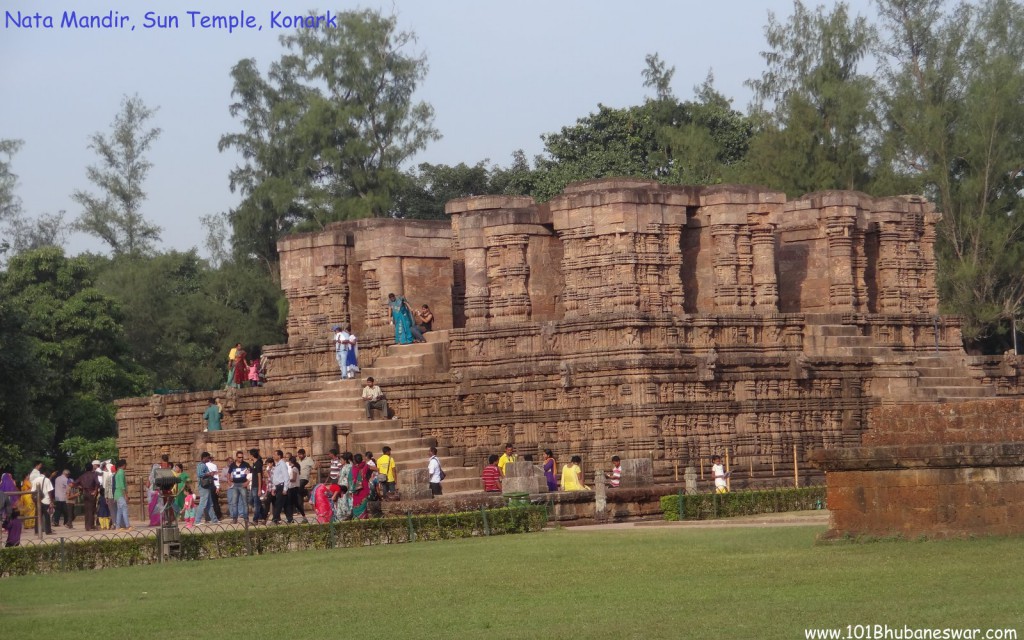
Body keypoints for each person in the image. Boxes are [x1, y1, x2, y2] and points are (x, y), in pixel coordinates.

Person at [227, 450, 252, 524]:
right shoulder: (232, 465)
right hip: (235, 485)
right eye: (239, 457)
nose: (241, 459)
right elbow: (228, 473)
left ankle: (246, 518)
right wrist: (228, 481)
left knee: (245, 502)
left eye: (242, 457)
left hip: (243, 484)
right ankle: (235, 518)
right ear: (236, 457)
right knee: (234, 502)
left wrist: (247, 482)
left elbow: (251, 474)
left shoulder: (246, 464)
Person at [195, 452, 219, 525]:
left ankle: (214, 520)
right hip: (203, 487)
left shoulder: (203, 465)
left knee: (209, 504)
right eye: (208, 458)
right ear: (204, 458)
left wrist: (211, 475)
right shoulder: (201, 465)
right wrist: (209, 474)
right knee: (203, 504)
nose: (209, 459)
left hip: (206, 486)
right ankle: (197, 520)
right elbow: (200, 474)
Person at [76, 463, 101, 531]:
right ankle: (90, 525)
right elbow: (97, 483)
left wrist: (81, 487)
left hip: (85, 493)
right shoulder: (94, 475)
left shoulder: (82, 476)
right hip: (91, 493)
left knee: (86, 509)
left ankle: (87, 525)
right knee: (91, 509)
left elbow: (75, 483)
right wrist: (95, 491)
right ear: (92, 468)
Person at [270, 450, 292, 524]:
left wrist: (285, 488)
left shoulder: (282, 464)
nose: (273, 456)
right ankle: (290, 519)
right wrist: (273, 488)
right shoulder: (277, 465)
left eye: (275, 454)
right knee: (285, 504)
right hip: (278, 486)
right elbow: (276, 478)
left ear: (279, 456)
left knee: (278, 503)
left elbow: (286, 477)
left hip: (282, 486)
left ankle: (275, 519)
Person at [148, 454, 170, 527]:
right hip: (153, 490)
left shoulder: (165, 469)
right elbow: (151, 480)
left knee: (160, 506)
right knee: (153, 506)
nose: (165, 465)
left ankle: (160, 521)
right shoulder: (156, 468)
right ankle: (154, 521)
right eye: (164, 464)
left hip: (159, 491)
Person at [348, 453, 371, 519]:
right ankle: (363, 518)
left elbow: (350, 480)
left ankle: (357, 520)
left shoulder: (353, 469)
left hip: (356, 491)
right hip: (364, 489)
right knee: (363, 506)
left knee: (356, 505)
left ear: (354, 460)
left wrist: (350, 490)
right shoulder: (366, 466)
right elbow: (377, 469)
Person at [31, 469, 53, 534]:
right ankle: (48, 531)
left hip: (38, 501)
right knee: (47, 516)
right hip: (46, 500)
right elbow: (49, 491)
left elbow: (32, 491)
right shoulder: (47, 480)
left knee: (38, 516)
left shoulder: (35, 480)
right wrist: (51, 501)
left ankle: (37, 531)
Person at [287, 455, 307, 523]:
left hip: (293, 488)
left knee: (293, 504)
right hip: (292, 487)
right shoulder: (293, 468)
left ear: (291, 461)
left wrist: (287, 479)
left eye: (289, 461)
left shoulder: (294, 468)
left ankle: (292, 518)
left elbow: (294, 479)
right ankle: (291, 518)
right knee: (292, 503)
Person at [113, 459, 131, 530]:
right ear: (123, 465)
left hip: (117, 494)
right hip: (120, 494)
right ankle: (127, 525)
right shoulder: (121, 472)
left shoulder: (117, 472)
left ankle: (117, 526)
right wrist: (126, 495)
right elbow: (122, 485)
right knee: (124, 509)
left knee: (119, 511)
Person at [248, 449, 265, 524]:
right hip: (253, 485)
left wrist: (259, 489)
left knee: (256, 503)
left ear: (252, 455)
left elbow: (259, 476)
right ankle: (263, 513)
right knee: (251, 501)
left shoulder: (258, 464)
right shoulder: (254, 464)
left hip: (256, 486)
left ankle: (255, 519)